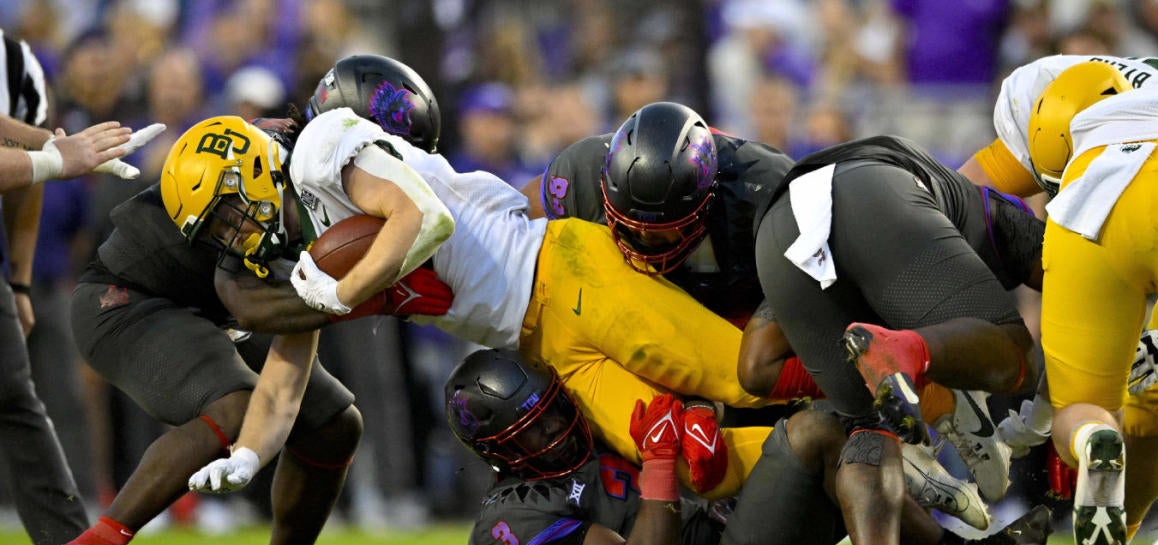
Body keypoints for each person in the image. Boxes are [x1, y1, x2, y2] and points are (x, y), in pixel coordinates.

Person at [183, 56, 778, 504]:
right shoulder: (310, 237)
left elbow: (423, 218)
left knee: (745, 376)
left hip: (564, 272)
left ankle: (864, 382)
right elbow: (289, 365)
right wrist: (249, 453)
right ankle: (833, 452)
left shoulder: (321, 146)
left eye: (228, 215)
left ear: (256, 167)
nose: (234, 237)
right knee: (684, 460)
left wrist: (341, 292)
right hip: (540, 340)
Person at [37, 110, 451, 545]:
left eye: (229, 214)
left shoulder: (298, 161)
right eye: (214, 226)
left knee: (333, 424)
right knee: (234, 404)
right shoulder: (238, 227)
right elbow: (251, 302)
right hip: (123, 302)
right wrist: (369, 292)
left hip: (209, 311)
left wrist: (357, 283)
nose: (230, 234)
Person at [520, 101, 1011, 513]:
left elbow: (827, 281)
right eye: (628, 224)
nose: (645, 240)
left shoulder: (762, 191)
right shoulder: (577, 175)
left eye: (665, 228)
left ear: (707, 198)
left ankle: (929, 409)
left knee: (760, 370)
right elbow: (515, 224)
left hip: (778, 282)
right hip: (669, 303)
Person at [448, 348, 1052, 545]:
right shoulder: (509, 520)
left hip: (733, 533)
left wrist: (702, 423)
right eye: (535, 431)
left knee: (842, 412)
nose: (558, 429)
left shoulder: (595, 419)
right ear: (498, 450)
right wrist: (659, 463)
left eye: (557, 410)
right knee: (817, 432)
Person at [751, 134, 1047, 545]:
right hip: (873, 197)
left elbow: (755, 368)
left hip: (779, 231)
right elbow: (1072, 283)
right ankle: (923, 375)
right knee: (1016, 355)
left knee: (867, 427)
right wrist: (1071, 410)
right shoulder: (991, 212)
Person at [957, 52, 1158, 545]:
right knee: (1157, 413)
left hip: (1092, 202)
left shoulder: (1038, 89)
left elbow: (956, 191)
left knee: (1088, 409)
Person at [0, 27, 158, 545]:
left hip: (22, 276)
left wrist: (18, 279)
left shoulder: (15, 61)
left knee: (21, 402)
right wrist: (56, 158)